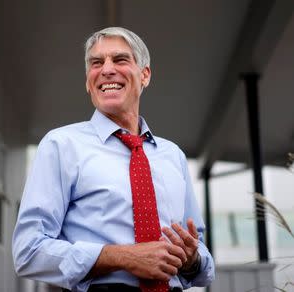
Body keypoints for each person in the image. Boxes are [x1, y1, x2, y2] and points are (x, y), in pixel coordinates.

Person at [12, 27, 215, 292]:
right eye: (96, 63)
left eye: (120, 60)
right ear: (88, 81)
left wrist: (192, 259)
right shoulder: (61, 145)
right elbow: (28, 251)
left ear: (145, 75)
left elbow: (203, 264)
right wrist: (123, 257)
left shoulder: (173, 156)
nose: (107, 69)